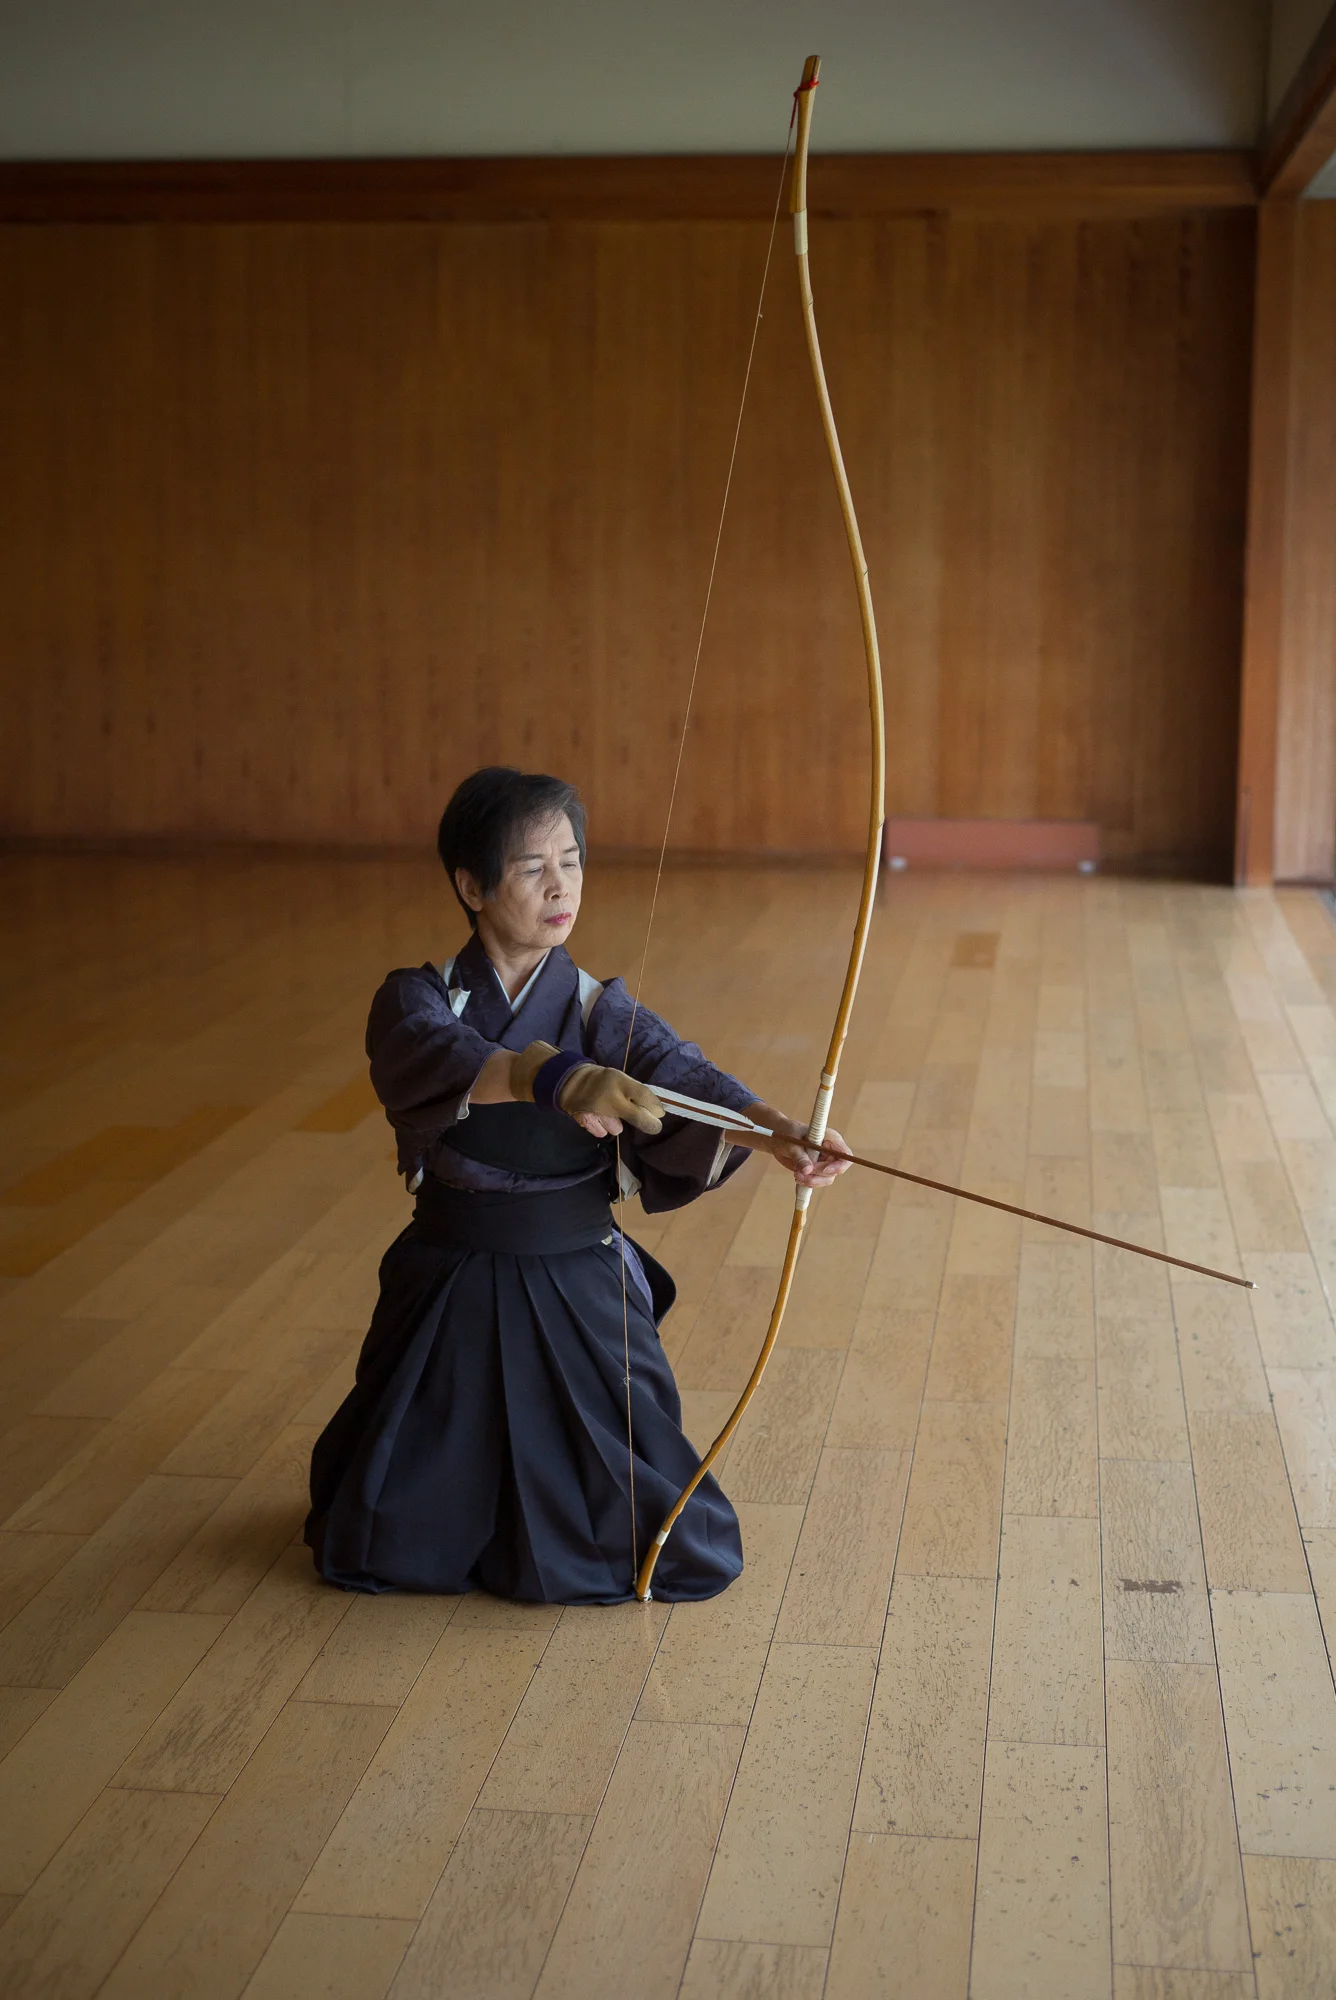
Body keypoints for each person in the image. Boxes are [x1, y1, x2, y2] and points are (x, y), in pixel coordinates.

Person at [305, 766, 850, 1605]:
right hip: (452, 1273)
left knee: (650, 1523)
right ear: (472, 887)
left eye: (572, 861)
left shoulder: (601, 1010)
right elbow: (434, 1054)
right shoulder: (418, 1000)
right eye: (532, 868)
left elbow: (682, 1076)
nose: (561, 886)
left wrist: (777, 1130)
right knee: (390, 1522)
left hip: (576, 1277)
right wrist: (553, 1078)